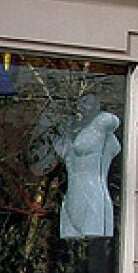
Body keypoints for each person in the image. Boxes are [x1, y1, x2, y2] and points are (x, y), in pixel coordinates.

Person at [54, 94, 121, 239]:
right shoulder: (70, 129)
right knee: (71, 244)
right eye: (81, 102)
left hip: (94, 197)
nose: (83, 106)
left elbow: (113, 121)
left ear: (97, 105)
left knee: (97, 243)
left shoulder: (102, 125)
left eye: (89, 102)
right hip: (71, 197)